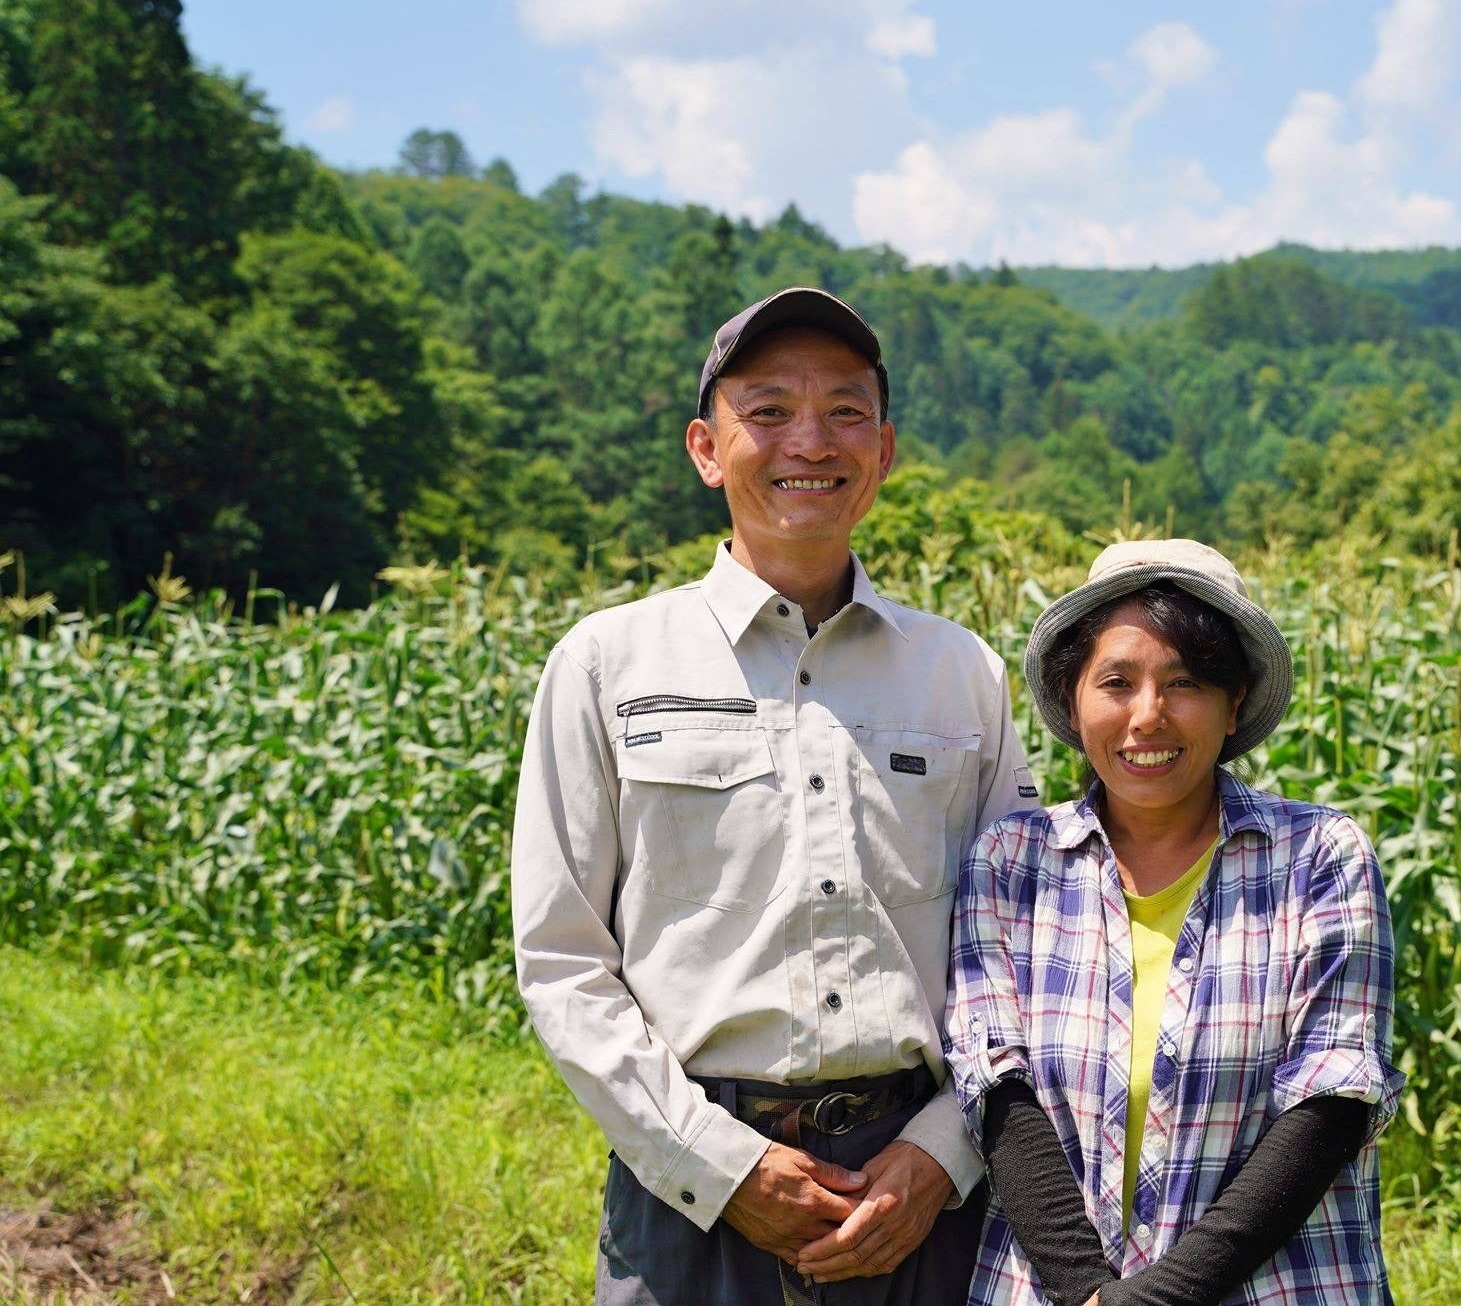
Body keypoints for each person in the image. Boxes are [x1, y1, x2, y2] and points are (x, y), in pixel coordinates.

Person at [512, 287, 1039, 1304]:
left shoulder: (960, 674)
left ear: (883, 451)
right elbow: (563, 961)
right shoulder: (606, 664)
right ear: (706, 449)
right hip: (688, 1194)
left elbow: (1018, 952)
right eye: (768, 411)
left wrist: (942, 1156)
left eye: (845, 412)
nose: (810, 441)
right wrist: (719, 1166)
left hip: (919, 1203)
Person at [946, 540, 1404, 1306]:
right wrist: (1088, 1290)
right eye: (1117, 682)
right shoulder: (1012, 862)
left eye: (1185, 681)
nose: (1148, 715)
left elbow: (1331, 1103)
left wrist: (1155, 1299)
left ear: (1235, 702)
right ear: (1073, 700)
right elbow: (997, 1092)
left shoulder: (1320, 856)